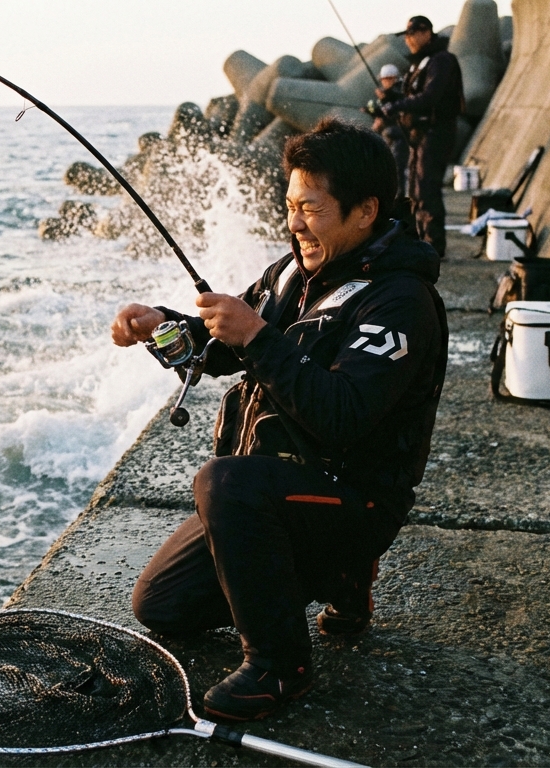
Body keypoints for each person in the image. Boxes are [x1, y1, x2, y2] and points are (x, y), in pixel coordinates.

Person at [110, 119, 447, 722]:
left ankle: (280, 665)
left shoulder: (401, 301)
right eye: (289, 207)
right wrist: (158, 326)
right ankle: (335, 578)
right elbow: (222, 345)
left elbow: (341, 415)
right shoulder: (290, 273)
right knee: (159, 606)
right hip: (284, 491)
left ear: (365, 210)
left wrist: (258, 337)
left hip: (357, 501)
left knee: (222, 482)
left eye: (311, 210)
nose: (295, 224)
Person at [382, 15, 464, 257]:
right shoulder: (421, 63)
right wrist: (391, 100)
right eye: (406, 35)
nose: (407, 40)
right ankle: (421, 243)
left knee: (427, 191)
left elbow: (430, 97)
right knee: (416, 192)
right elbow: (413, 95)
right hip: (419, 136)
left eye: (411, 34)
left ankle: (434, 248)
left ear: (426, 33)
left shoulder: (441, 60)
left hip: (435, 132)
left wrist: (397, 107)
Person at [367, 64, 408, 217]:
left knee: (398, 168)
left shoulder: (399, 91)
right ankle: (393, 200)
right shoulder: (388, 95)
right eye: (383, 80)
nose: (384, 83)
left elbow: (397, 105)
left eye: (386, 79)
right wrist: (371, 110)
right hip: (390, 136)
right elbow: (384, 112)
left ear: (393, 78)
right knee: (391, 168)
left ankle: (399, 201)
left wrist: (385, 99)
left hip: (400, 136)